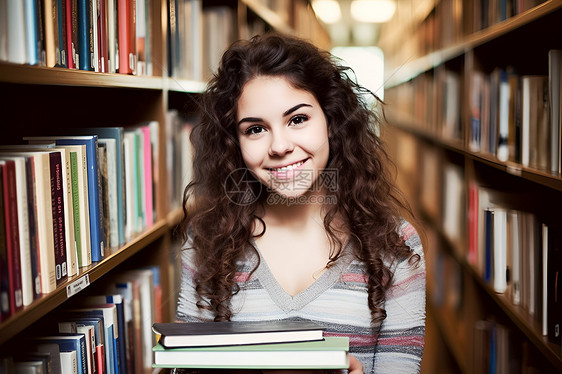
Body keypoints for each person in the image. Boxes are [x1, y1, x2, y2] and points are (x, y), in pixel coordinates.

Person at [177, 33, 426, 374]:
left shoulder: (395, 244)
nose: (279, 146)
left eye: (297, 119)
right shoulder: (205, 240)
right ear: (235, 143)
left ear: (331, 121)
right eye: (255, 129)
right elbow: (188, 367)